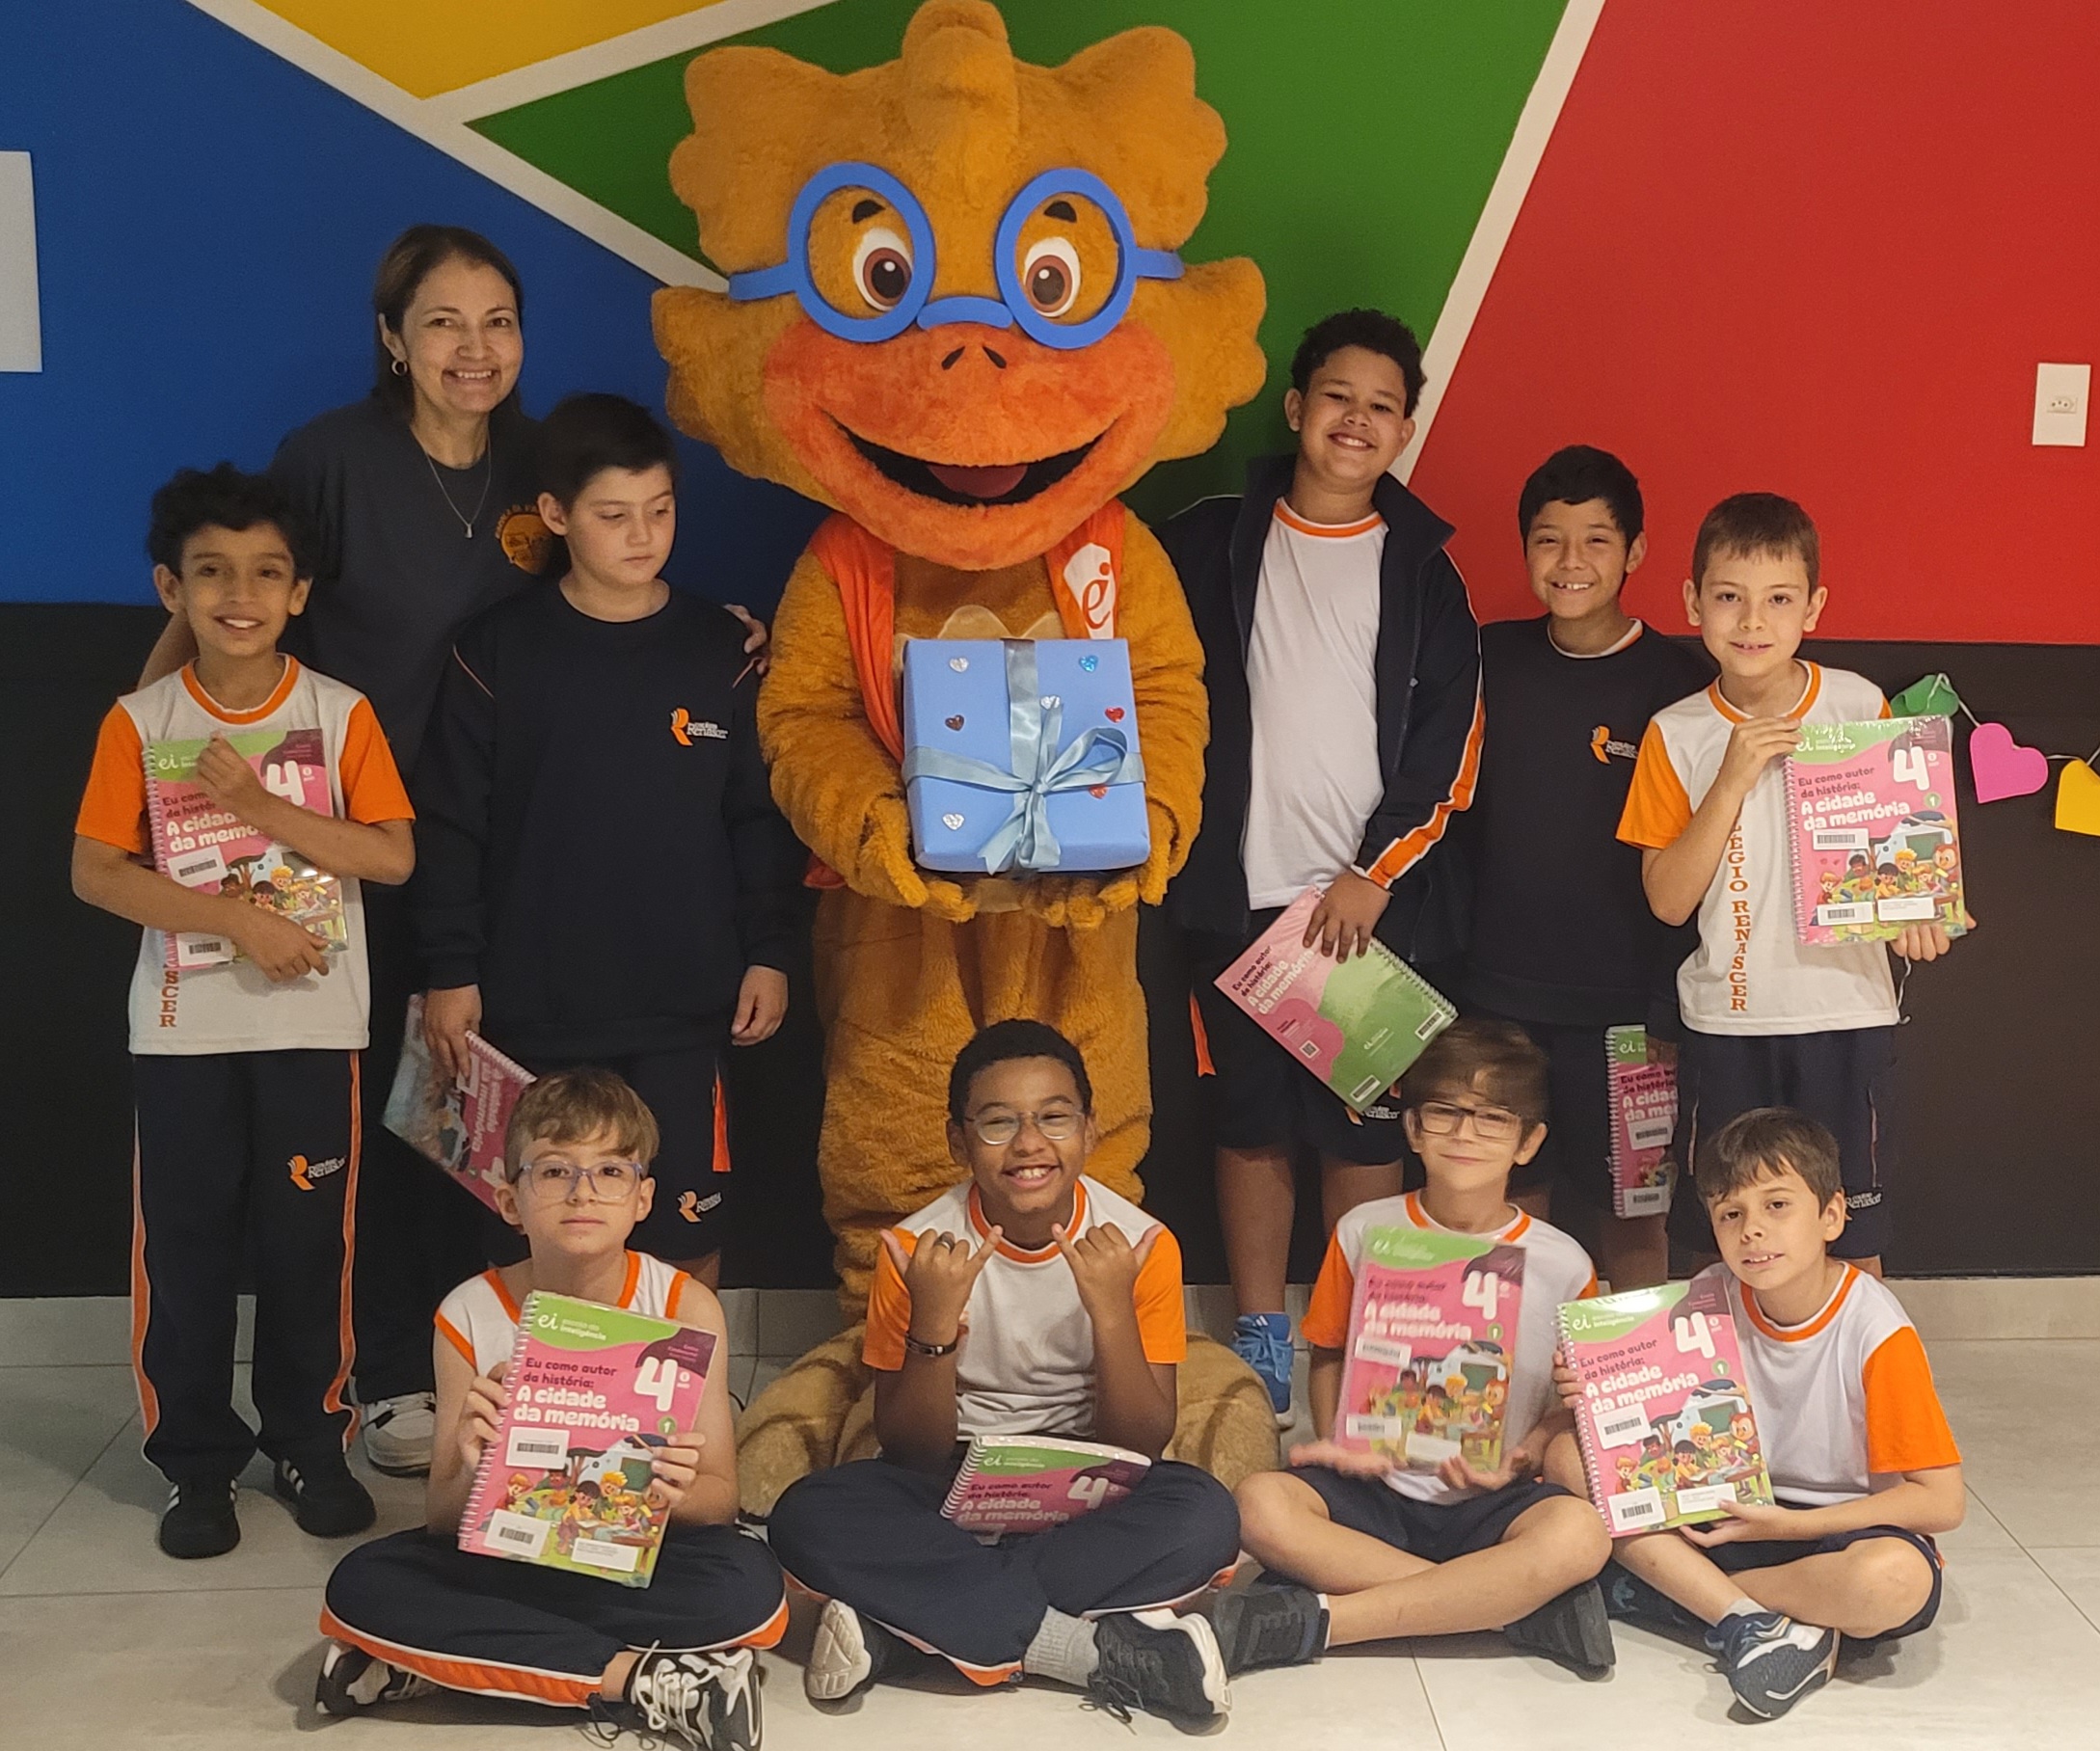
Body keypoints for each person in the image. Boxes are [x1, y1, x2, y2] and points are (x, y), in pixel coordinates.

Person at [136, 228, 770, 1475]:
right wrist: (156, 722)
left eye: (497, 321)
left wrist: (720, 629)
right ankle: (391, 1376)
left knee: (499, 1131)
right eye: (441, 321)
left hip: (510, 853)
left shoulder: (545, 461)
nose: (473, 348)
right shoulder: (332, 461)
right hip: (345, 841)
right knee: (404, 1132)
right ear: (392, 338)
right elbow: (236, 589)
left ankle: (596, 1411)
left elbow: (629, 576)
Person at [70, 465, 417, 1557]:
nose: (241, 594)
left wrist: (258, 804)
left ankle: (310, 1443)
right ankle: (196, 1464)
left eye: (267, 573)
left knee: (310, 1248)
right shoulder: (141, 720)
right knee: (187, 1254)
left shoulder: (338, 712)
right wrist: (239, 922)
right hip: (186, 1036)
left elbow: (391, 856)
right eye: (213, 572)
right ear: (171, 588)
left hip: (313, 1032)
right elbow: (95, 871)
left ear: (299, 592)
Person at [1162, 309, 1483, 1420]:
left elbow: (1450, 751)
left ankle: (1364, 1337)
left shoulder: (1427, 572)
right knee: (1249, 1124)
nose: (1357, 419)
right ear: (1298, 408)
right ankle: (1261, 1336)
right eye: (1337, 396)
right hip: (1237, 896)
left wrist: (1374, 873)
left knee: (1362, 1126)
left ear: (1405, 430)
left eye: (1382, 405)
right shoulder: (1208, 539)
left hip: (1362, 906)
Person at [411, 393, 801, 1288]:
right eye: (614, 516)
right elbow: (452, 825)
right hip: (528, 1007)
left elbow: (756, 818)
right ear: (556, 515)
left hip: (685, 1005)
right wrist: (450, 968)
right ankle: (531, 1387)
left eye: (660, 511)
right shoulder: (496, 649)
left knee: (683, 1231)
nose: (643, 536)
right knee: (529, 1233)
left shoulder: (721, 649)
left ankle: (679, 1383)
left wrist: (770, 951)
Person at [766, 1021, 1241, 1726]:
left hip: (1090, 1481)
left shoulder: (1142, 1245)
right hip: (950, 1482)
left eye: (1054, 1118)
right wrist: (933, 1328)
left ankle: (907, 1628)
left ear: (1089, 1129)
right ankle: (1084, 1651)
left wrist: (1111, 1312)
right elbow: (910, 1449)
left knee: (1205, 1514)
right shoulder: (914, 1251)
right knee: (805, 1516)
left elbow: (1142, 1442)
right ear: (958, 1142)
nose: (1028, 1144)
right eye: (997, 1123)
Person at [316, 1069, 784, 1749]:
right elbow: (443, 1518)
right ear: (510, 1200)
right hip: (512, 1554)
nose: (582, 1192)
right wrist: (477, 1464)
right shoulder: (468, 1313)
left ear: (643, 1198)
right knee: (361, 1585)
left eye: (610, 1171)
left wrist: (671, 1491)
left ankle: (445, 1664)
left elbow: (720, 1500)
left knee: (748, 1589)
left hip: (644, 1553)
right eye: (555, 1171)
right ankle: (646, 1679)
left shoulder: (684, 1306)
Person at [1616, 495, 1959, 1279]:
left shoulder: (1857, 705)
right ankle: (1729, 1366)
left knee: (1850, 1236)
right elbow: (1668, 900)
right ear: (1692, 602)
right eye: (1728, 596)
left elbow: (1901, 863)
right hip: (1726, 1024)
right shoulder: (1677, 732)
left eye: (1778, 598)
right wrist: (1731, 778)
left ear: (1814, 607)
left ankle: (1848, 1365)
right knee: (1721, 1237)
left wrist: (1916, 915)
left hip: (1847, 1015)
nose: (1751, 620)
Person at [1217, 1019, 1614, 1680]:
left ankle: (1322, 1620)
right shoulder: (1363, 1231)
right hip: (1376, 1484)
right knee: (1258, 1503)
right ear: (1412, 1128)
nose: (1465, 1134)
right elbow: (1329, 1352)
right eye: (1444, 1112)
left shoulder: (1565, 1263)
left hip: (1489, 1495)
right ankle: (1507, 1607)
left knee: (1580, 1534)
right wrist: (1341, 1440)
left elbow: (1565, 1404)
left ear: (1529, 1142)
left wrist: (1523, 1455)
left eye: (1493, 1119)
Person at [1546, 1108, 1963, 1720]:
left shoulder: (1876, 1331)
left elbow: (1942, 1502)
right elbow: (1646, 1431)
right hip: (1727, 1509)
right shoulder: (1709, 1294)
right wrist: (1596, 1390)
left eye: (1777, 1206)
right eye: (1731, 1214)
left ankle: (1671, 1598)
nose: (1753, 1231)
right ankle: (1758, 1621)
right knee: (1566, 1455)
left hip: (1836, 1529)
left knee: (1892, 1581)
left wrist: (1785, 1527)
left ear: (1831, 1216)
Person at [1460, 446, 1710, 1288]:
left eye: (1596, 540)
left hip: (1631, 1008)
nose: (1571, 562)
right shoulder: (1486, 661)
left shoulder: (1683, 683)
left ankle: (1637, 1374)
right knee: (1504, 1206)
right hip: (1499, 998)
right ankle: (1518, 1364)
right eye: (1549, 540)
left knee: (1636, 1215)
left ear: (1635, 552)